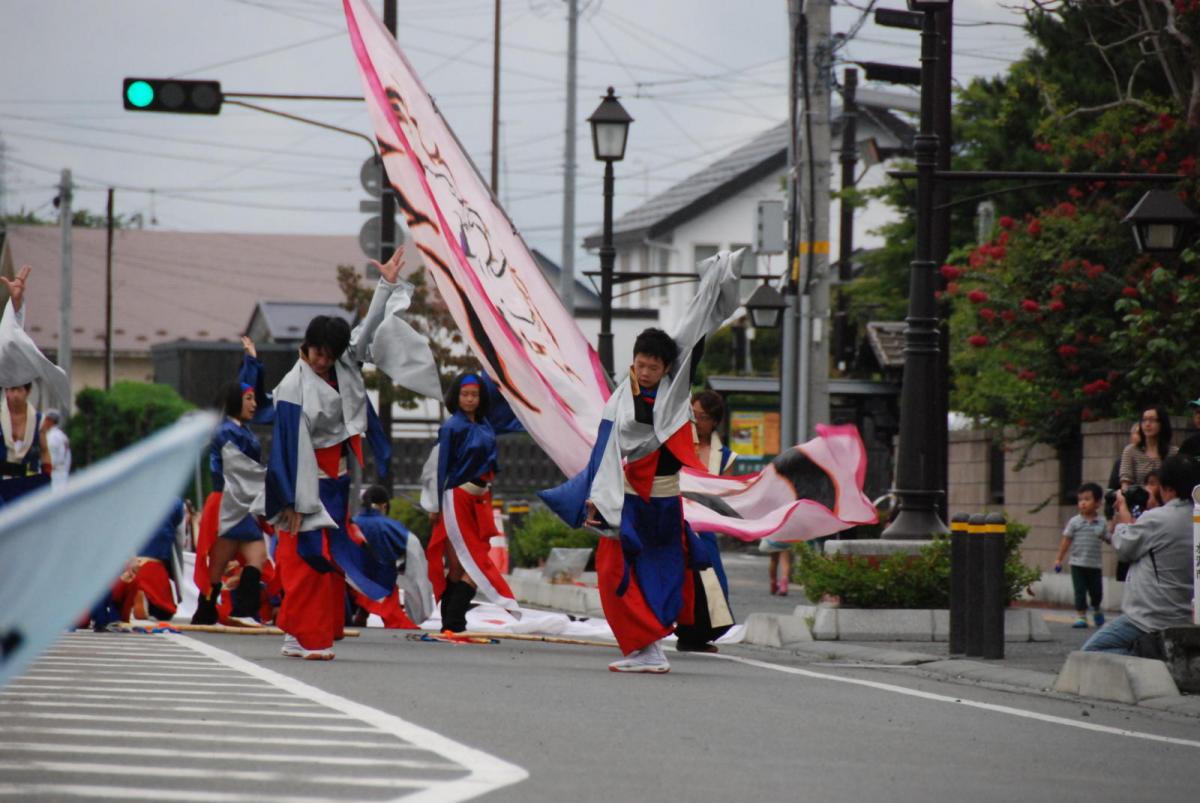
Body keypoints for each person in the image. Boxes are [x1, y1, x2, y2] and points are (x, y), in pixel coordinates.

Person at [541, 249, 743, 674]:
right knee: (624, 571)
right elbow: (606, 453)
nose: (646, 371)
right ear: (632, 363)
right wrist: (598, 500)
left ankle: (648, 647)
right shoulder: (622, 400)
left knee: (653, 570)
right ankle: (646, 647)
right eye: (640, 364)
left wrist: (712, 282)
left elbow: (693, 330)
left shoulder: (673, 390)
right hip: (631, 497)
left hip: (659, 502)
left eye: (653, 366)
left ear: (666, 367)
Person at [265, 245, 440, 661]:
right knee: (307, 561)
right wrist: (292, 500)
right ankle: (308, 637)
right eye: (318, 352)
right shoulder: (293, 389)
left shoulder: (343, 362)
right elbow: (289, 451)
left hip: (337, 482)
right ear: (305, 347)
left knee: (326, 562)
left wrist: (387, 284)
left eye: (330, 352)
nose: (324, 360)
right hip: (304, 483)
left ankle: (302, 630)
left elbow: (367, 331)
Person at [426, 371, 523, 633]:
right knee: (472, 563)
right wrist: (434, 505)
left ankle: (451, 622)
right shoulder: (451, 427)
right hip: (457, 496)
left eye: (475, 395)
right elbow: (440, 467)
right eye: (465, 394)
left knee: (462, 565)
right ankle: (454, 622)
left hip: (480, 499)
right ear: (456, 397)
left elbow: (518, 418)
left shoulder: (485, 424)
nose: (470, 399)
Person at [1083, 455, 1197, 655]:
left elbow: (1124, 548)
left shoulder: (1158, 518)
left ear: (1168, 488)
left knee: (1090, 653)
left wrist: (1124, 514)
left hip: (1148, 617)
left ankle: (1150, 661)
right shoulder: (1195, 517)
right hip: (1186, 615)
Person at [191, 355, 272, 627]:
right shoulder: (226, 430)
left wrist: (251, 361)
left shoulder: (239, 429)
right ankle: (221, 610)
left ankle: (224, 610)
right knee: (221, 562)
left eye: (253, 398)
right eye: (249, 399)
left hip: (238, 501)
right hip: (229, 499)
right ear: (235, 400)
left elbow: (242, 386)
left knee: (249, 556)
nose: (254, 403)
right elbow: (240, 468)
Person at [0, 265, 69, 504]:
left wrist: (16, 303)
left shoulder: (38, 421)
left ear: (27, 391)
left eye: (17, 389)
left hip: (29, 487)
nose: (12, 395)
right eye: (9, 390)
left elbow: (9, 338)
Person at [674, 390, 735, 653]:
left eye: (702, 417)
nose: (696, 421)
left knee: (712, 582)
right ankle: (679, 631)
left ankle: (698, 636)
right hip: (676, 520)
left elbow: (727, 493)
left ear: (714, 421)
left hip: (705, 525)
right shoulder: (677, 445)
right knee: (679, 578)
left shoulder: (725, 456)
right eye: (693, 415)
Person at [350, 484, 433, 628]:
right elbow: (414, 551)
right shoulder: (391, 526)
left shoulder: (351, 523)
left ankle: (360, 614)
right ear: (384, 505)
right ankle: (366, 613)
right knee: (397, 622)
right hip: (382, 584)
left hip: (351, 584)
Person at [1052, 482, 1106, 628]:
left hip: (1095, 564)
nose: (1082, 503)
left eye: (1087, 499)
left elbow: (1110, 539)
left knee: (1096, 591)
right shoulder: (1074, 522)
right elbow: (1066, 541)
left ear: (1098, 502)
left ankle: (1097, 609)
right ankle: (1081, 616)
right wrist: (1059, 559)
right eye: (1080, 500)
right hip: (1077, 563)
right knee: (1080, 591)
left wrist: (1109, 533)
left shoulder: (1102, 522)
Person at [1118, 406, 1174, 489]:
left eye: (1152, 420)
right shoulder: (1131, 451)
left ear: (1162, 423)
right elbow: (1125, 482)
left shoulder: (1173, 452)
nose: (1147, 424)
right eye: (1144, 420)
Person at [42, 409, 70, 489]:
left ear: (49, 421)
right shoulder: (61, 435)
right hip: (63, 473)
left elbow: (51, 459)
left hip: (55, 475)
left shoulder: (52, 437)